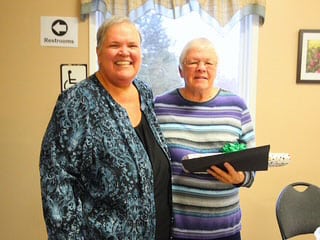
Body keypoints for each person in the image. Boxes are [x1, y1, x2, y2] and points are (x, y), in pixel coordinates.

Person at [40, 16, 172, 239]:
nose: (124, 52)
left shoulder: (144, 93)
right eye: (114, 45)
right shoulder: (76, 103)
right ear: (99, 52)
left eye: (132, 45)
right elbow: (56, 185)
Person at [154, 38, 256, 240]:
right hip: (175, 231)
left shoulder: (237, 106)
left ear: (216, 69)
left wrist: (240, 178)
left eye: (208, 63)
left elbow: (252, 167)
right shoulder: (160, 106)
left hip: (225, 230)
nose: (201, 68)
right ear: (180, 70)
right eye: (193, 62)